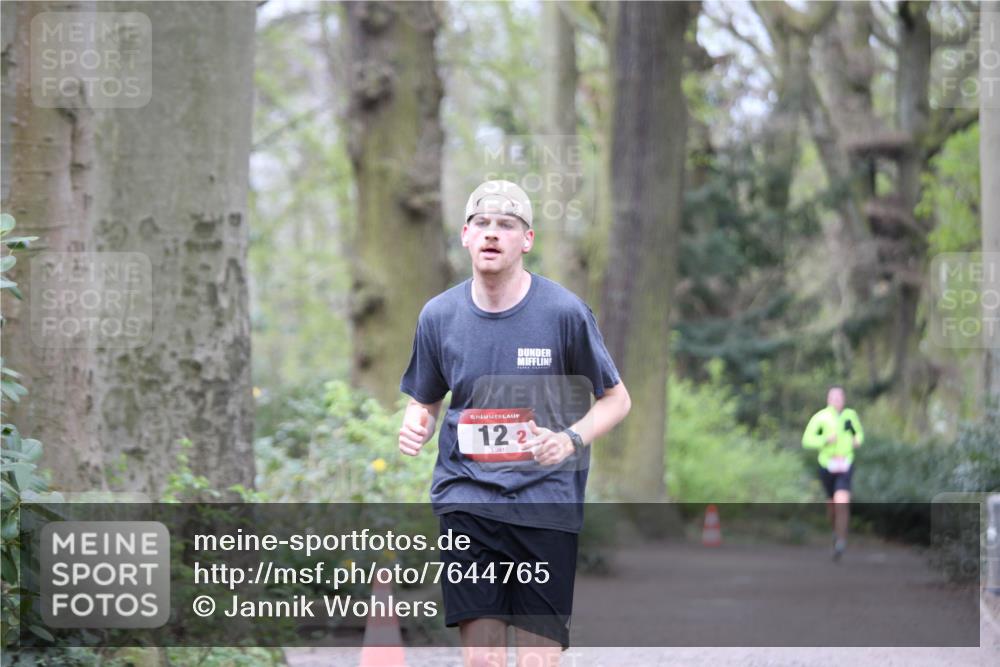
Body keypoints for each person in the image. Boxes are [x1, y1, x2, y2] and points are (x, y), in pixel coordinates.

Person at [398, 180, 631, 667]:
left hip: (545, 505)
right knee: (483, 660)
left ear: (526, 240)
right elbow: (426, 397)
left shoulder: (563, 313)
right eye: (482, 224)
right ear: (465, 235)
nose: (492, 233)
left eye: (506, 225)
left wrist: (570, 439)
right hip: (468, 500)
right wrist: (416, 421)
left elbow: (616, 400)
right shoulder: (438, 316)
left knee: (536, 661)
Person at [802, 386, 864, 561]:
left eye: (840, 397)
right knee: (832, 507)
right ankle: (835, 532)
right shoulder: (821, 417)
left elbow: (858, 434)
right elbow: (807, 440)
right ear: (828, 399)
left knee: (841, 502)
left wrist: (856, 441)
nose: (837, 400)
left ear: (844, 399)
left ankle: (841, 542)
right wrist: (824, 440)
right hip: (827, 465)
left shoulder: (850, 416)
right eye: (834, 397)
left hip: (845, 463)